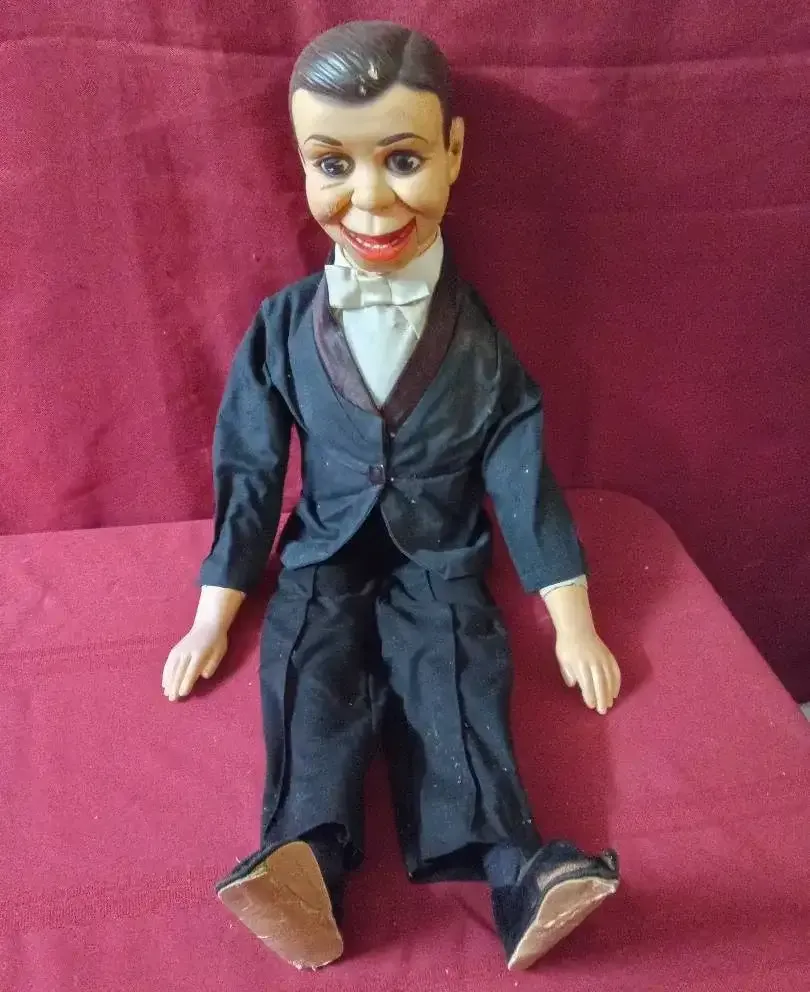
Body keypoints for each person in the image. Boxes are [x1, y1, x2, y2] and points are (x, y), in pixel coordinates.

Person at [162, 20, 622, 973]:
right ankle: (304, 861)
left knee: (456, 672)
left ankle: (513, 867)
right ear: (301, 164)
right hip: (322, 551)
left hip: (442, 554)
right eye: (333, 164)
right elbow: (249, 470)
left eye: (403, 159)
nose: (369, 200)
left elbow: (522, 474)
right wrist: (216, 609)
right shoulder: (282, 327)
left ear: (453, 152)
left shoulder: (479, 338)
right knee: (308, 667)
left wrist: (571, 619)